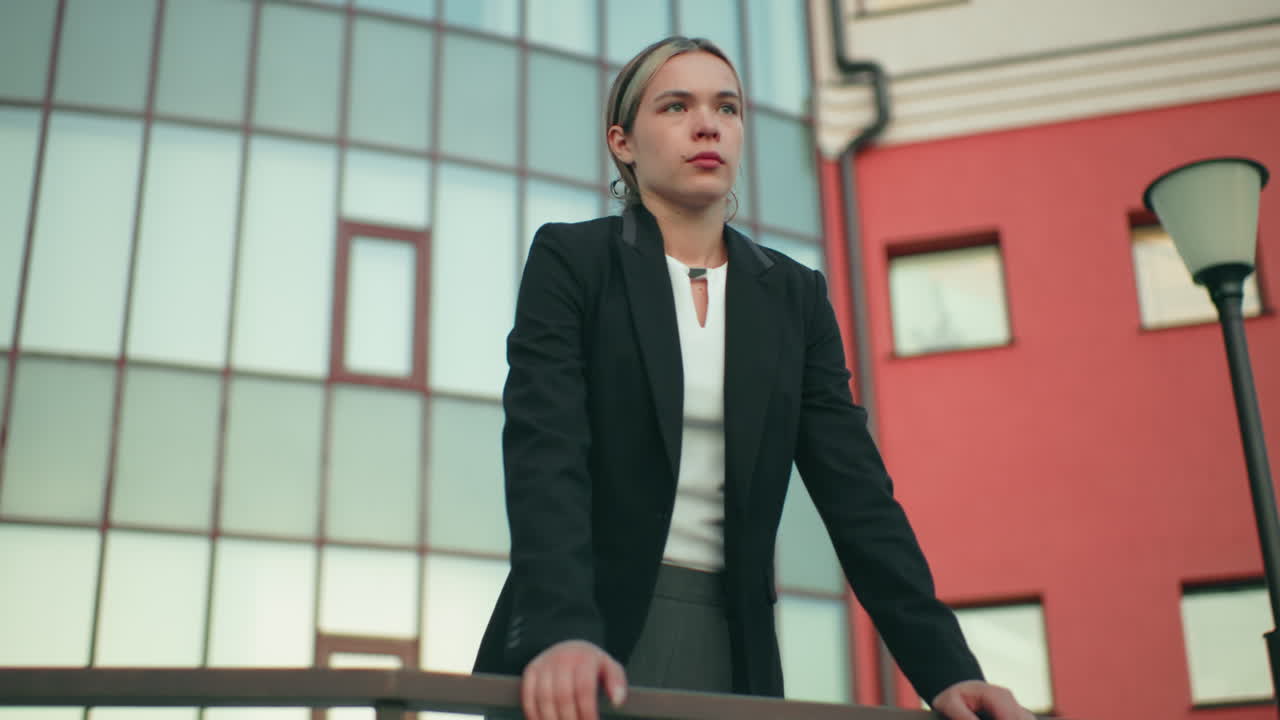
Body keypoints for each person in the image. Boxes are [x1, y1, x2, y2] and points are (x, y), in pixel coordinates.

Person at [473, 36, 1033, 720]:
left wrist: (947, 671)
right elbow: (546, 453)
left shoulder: (795, 298)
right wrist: (560, 633)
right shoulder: (573, 262)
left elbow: (858, 497)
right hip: (582, 632)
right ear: (622, 142)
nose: (707, 124)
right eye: (676, 106)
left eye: (727, 107)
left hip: (730, 646)